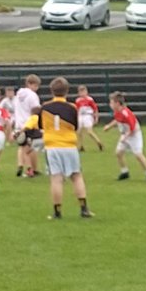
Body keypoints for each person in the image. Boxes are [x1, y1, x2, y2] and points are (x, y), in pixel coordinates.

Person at [35, 76, 93, 219]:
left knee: (56, 179)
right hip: (69, 145)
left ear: (51, 91)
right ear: (67, 91)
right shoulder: (72, 107)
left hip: (52, 146)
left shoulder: (45, 107)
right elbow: (76, 126)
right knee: (76, 176)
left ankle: (57, 211)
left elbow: (41, 126)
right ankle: (84, 209)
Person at [103, 92, 146, 182]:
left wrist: (126, 136)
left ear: (117, 103)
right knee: (118, 153)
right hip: (125, 134)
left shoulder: (126, 113)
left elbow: (132, 127)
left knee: (138, 154)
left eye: (111, 102)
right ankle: (124, 172)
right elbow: (117, 120)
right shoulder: (117, 112)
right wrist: (109, 126)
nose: (110, 104)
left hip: (134, 135)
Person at [13, 74, 42, 177]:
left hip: (18, 124)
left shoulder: (18, 95)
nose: (36, 88)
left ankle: (20, 165)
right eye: (36, 86)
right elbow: (36, 111)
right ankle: (32, 169)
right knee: (31, 148)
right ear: (30, 84)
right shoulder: (33, 96)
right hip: (29, 124)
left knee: (21, 147)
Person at [75, 84, 103, 152]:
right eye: (80, 92)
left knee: (89, 131)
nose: (82, 93)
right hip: (81, 116)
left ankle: (98, 142)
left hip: (88, 115)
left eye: (83, 91)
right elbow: (77, 109)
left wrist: (96, 117)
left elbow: (95, 109)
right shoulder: (78, 100)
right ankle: (81, 146)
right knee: (79, 132)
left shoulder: (90, 99)